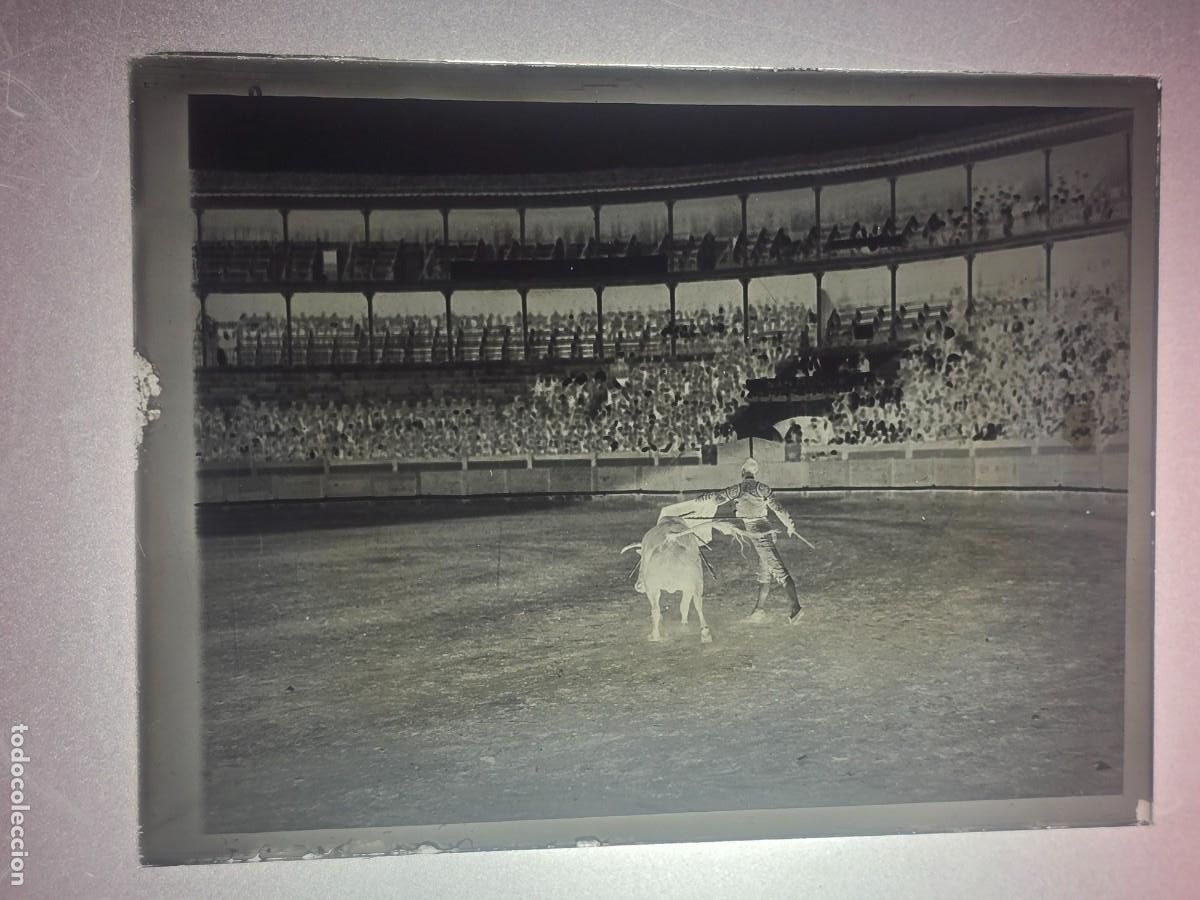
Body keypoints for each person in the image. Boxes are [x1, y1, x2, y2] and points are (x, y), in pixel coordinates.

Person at [698, 457, 804, 624]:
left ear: (742, 472)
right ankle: (759, 610)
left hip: (757, 533)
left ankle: (795, 607)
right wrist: (790, 525)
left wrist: (705, 497)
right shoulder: (763, 488)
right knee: (765, 571)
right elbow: (779, 509)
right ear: (755, 472)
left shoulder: (737, 489)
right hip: (766, 529)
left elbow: (717, 499)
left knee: (778, 569)